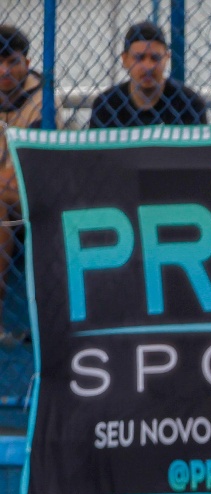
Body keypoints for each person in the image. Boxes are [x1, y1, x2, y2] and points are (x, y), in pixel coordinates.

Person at [0, 25, 51, 348]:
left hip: (33, 200)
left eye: (12, 62)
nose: (4, 71)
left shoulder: (43, 100)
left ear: (27, 62)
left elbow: (28, 174)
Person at [90, 22, 206, 128]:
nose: (148, 67)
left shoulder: (189, 104)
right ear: (125, 59)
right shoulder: (106, 105)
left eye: (155, 58)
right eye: (139, 58)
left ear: (166, 58)